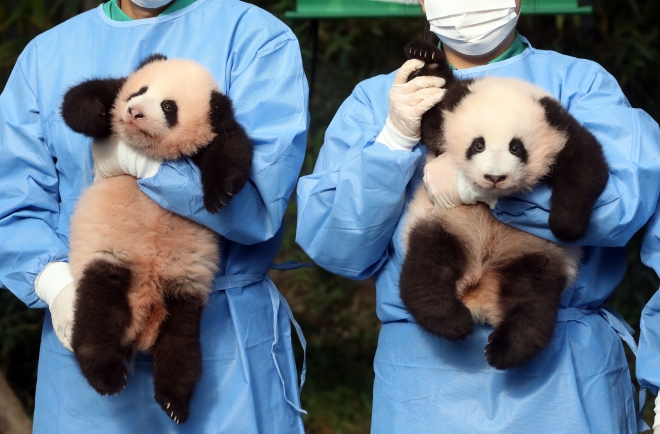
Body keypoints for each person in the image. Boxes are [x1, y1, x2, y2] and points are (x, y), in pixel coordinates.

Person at [296, 0, 660, 432]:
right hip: (423, 383)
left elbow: (622, 208)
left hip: (563, 375)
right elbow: (336, 246)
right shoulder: (380, 101)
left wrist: (484, 191)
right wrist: (392, 143)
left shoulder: (579, 85)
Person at [0, 0, 308, 432]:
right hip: (87, 327)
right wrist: (56, 285)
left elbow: (258, 201)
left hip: (220, 341)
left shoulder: (253, 37)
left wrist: (152, 168)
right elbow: (10, 203)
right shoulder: (45, 58)